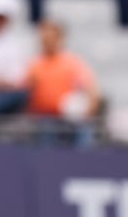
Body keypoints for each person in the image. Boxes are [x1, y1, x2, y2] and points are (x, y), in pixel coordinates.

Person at [20, 19, 100, 147]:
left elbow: (91, 89)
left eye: (51, 37)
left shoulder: (71, 62)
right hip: (41, 120)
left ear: (59, 38)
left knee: (84, 130)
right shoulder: (33, 64)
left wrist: (87, 111)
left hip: (69, 120)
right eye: (44, 37)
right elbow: (22, 92)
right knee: (45, 128)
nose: (47, 41)